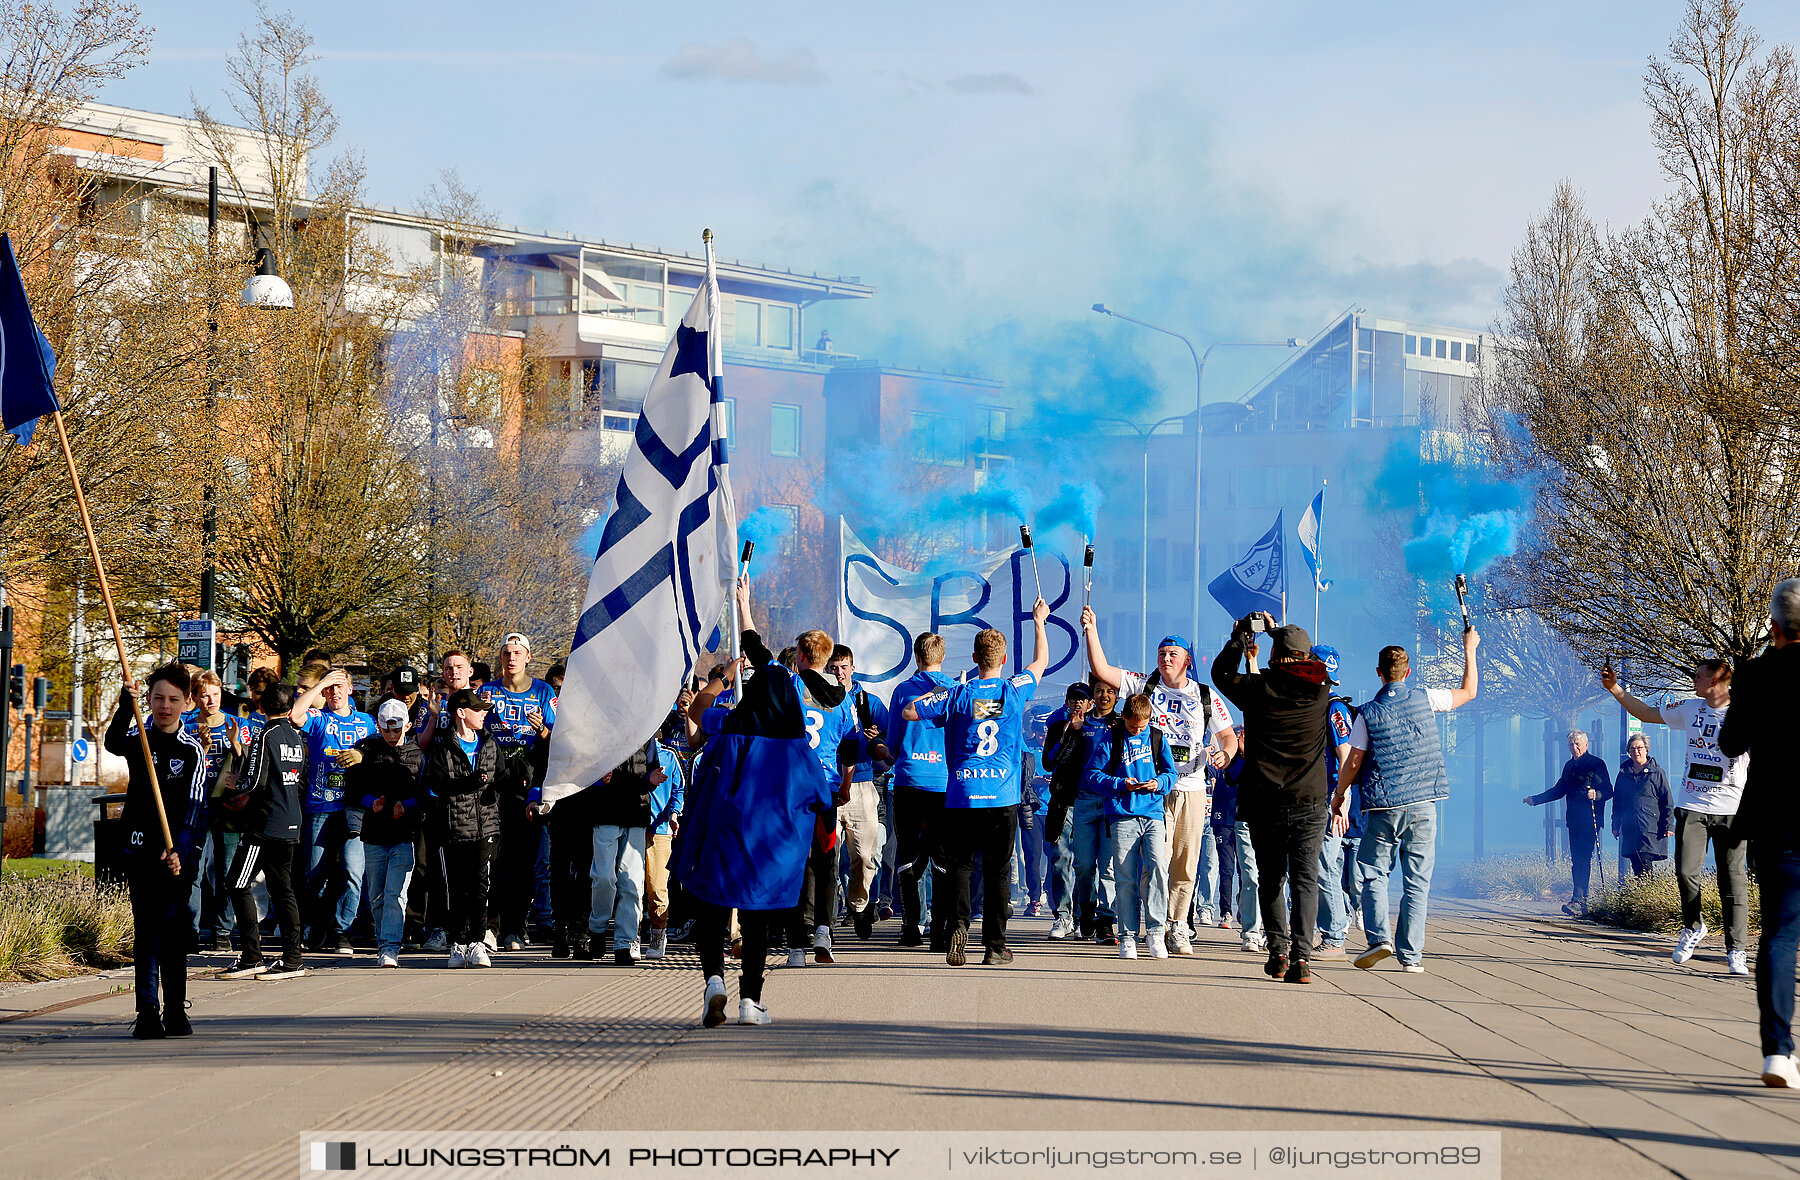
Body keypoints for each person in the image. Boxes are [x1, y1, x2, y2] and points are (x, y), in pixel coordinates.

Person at [676, 621, 836, 1027]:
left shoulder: (729, 727)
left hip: (724, 833)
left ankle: (713, 980)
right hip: (769, 845)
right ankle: (751, 1000)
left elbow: (696, 712)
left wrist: (723, 677)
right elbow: (824, 799)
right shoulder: (798, 749)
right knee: (755, 919)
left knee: (714, 907)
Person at [904, 597, 1050, 966]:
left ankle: (959, 925)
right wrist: (1039, 623)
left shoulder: (957, 693)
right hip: (1001, 796)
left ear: (974, 658)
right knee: (999, 872)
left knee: (961, 867)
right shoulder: (1014, 689)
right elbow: (1040, 662)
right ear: (1002, 660)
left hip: (962, 794)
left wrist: (942, 693)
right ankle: (995, 947)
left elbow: (909, 711)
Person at [1081, 612, 1238, 955]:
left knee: (1186, 861)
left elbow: (1228, 737)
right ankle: (1150, 926)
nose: (1166, 659)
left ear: (1187, 661)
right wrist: (1092, 629)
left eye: (1173, 654)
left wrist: (1225, 754)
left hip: (1192, 788)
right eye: (1162, 653)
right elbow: (1102, 670)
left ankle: (1177, 924)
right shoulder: (1145, 685)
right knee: (1155, 862)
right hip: (1153, 793)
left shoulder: (1205, 696)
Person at [1334, 630, 1478, 974]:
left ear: (1379, 673)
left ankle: (1379, 939)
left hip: (1384, 806)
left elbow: (1353, 762)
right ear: (1408, 673)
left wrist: (1340, 795)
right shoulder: (1425, 698)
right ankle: (1411, 957)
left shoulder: (1367, 713)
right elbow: (1469, 692)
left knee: (1373, 873)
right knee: (1417, 882)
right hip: (1424, 803)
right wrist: (1469, 650)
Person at [1212, 613, 1334, 985]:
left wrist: (1241, 637)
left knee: (1270, 878)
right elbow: (1311, 663)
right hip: (1310, 799)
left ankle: (1278, 951)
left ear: (1275, 657)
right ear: (1305, 655)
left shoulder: (1257, 688)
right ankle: (1302, 958)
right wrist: (1279, 631)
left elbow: (1220, 674)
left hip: (1266, 799)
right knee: (1305, 879)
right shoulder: (1320, 690)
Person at [1603, 658, 1748, 972]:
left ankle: (1736, 949)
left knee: (1732, 880)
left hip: (1732, 809)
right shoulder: (1690, 708)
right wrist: (1615, 688)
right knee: (1685, 871)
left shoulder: (1746, 713)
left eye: (1699, 676)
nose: (1693, 679)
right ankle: (1693, 927)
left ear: (1717, 681)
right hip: (1692, 804)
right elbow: (1645, 713)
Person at [1717, 578, 1800, 1088]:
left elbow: (1730, 743)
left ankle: (1778, 1051)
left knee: (1779, 933)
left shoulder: (1755, 675)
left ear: (1773, 624)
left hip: (1775, 817)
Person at [106, 665, 209, 1039]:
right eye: (158, 698)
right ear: (148, 700)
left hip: (175, 856)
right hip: (138, 849)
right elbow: (113, 742)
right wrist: (124, 702)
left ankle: (176, 1010)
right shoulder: (139, 737)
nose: (165, 706)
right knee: (146, 932)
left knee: (173, 932)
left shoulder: (192, 750)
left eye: (173, 700)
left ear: (188, 703)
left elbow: (196, 807)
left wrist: (181, 848)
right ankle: (147, 1010)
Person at [220, 683, 308, 980]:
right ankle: (293, 958)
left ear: (261, 707)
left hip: (264, 825)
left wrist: (235, 784)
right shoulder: (296, 736)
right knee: (283, 890)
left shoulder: (266, 734)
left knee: (236, 883)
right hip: (291, 820)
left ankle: (251, 956)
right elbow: (300, 780)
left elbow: (255, 780)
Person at [290, 668, 378, 954]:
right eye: (330, 689)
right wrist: (321, 684)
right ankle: (316, 926)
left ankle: (341, 930)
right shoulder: (319, 720)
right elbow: (295, 715)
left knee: (354, 872)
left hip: (355, 808)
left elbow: (382, 754)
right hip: (321, 806)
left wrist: (362, 755)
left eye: (340, 687)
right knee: (315, 874)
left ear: (351, 690)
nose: (335, 692)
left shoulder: (367, 722)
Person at [479, 633, 557, 951]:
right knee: (493, 858)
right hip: (494, 783)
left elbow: (555, 738)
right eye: (506, 653)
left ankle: (515, 927)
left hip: (527, 782)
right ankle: (491, 927)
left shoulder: (544, 691)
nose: (511, 658)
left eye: (517, 653)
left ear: (527, 658)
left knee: (524, 860)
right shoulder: (487, 691)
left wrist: (541, 729)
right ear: (500, 658)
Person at [1086, 693, 1179, 959]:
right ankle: (1127, 936)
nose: (1137, 730)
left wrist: (1157, 783)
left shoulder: (1157, 738)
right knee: (1124, 877)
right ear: (1123, 717)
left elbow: (1171, 774)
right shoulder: (1111, 738)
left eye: (1142, 725)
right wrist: (1119, 783)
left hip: (1152, 814)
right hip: (1122, 815)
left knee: (1158, 869)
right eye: (1132, 726)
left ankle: (1156, 932)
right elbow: (1093, 776)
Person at [885, 633, 955, 948]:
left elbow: (892, 747)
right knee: (943, 857)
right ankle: (940, 930)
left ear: (916, 656)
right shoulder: (956, 691)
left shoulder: (902, 691)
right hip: (944, 782)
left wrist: (878, 745)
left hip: (910, 780)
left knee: (908, 855)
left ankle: (912, 926)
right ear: (943, 656)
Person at [424, 688, 501, 969]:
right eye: (477, 709)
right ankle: (458, 943)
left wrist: (518, 778)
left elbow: (500, 776)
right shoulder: (443, 747)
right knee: (455, 889)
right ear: (460, 713)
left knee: (480, 887)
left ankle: (478, 942)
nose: (483, 714)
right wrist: (471, 782)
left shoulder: (489, 743)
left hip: (486, 826)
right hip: (453, 828)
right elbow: (439, 784)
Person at [348, 700, 425, 967]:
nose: (392, 736)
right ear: (379, 727)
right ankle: (384, 942)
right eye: (386, 730)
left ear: (408, 726)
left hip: (405, 835)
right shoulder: (368, 751)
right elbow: (354, 789)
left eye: (397, 730)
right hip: (374, 834)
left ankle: (391, 945)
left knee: (395, 892)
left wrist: (407, 805)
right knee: (377, 894)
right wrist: (372, 802)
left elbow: (425, 793)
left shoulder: (418, 753)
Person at [826, 644, 892, 941]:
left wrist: (876, 739)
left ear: (853, 668)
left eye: (843, 667)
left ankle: (860, 905)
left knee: (864, 856)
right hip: (827, 784)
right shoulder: (818, 699)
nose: (839, 673)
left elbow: (889, 738)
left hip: (862, 784)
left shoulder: (870, 702)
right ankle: (823, 921)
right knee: (826, 857)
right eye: (833, 667)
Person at [588, 736, 663, 965]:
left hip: (636, 812)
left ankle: (624, 942)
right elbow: (586, 769)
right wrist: (599, 778)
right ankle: (598, 927)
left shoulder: (647, 730)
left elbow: (652, 769)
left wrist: (651, 780)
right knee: (604, 877)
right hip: (606, 810)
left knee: (631, 880)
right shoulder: (602, 727)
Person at [1525, 730, 1614, 916]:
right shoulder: (1569, 766)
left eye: (1577, 744)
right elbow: (1559, 790)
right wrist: (1536, 799)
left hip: (1591, 819)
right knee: (1576, 860)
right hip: (1573, 820)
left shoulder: (1596, 764)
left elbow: (1608, 790)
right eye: (1571, 745)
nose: (1574, 748)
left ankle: (1580, 899)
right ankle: (1579, 900)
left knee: (1583, 859)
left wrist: (1596, 795)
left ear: (1586, 744)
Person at [187, 670, 245, 952]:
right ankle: (191, 929)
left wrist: (235, 743)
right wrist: (203, 746)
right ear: (194, 697)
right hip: (196, 805)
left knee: (226, 871)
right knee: (193, 870)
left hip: (229, 807)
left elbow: (250, 765)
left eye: (215, 694)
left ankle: (223, 930)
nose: (211, 700)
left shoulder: (238, 723)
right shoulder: (186, 725)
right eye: (205, 695)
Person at [1312, 647, 1359, 959]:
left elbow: (1345, 755)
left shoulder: (1334, 709)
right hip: (1316, 795)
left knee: (1324, 865)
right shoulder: (1318, 706)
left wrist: (1341, 798)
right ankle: (1337, 921)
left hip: (1329, 796)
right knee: (1320, 865)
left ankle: (1334, 935)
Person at [1040, 683, 1091, 940]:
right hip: (1061, 803)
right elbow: (1047, 762)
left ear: (1091, 704)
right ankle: (1062, 915)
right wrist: (1065, 736)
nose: (1077, 704)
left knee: (1085, 863)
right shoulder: (1057, 728)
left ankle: (1083, 918)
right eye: (1073, 700)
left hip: (1088, 803)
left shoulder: (1096, 730)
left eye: (1082, 700)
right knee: (1060, 860)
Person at [643, 738, 686, 959]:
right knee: (630, 885)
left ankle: (658, 934)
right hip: (632, 826)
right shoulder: (629, 749)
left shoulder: (669, 755)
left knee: (657, 886)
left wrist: (673, 814)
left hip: (660, 831)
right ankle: (630, 936)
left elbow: (678, 789)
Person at [1612, 734, 1672, 880]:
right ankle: (1643, 896)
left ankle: (1647, 896)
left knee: (1645, 861)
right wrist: (1615, 825)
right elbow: (1617, 802)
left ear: (1646, 750)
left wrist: (1669, 825)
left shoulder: (1657, 773)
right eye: (1632, 749)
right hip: (1630, 826)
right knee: (1636, 862)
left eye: (1639, 748)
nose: (1636, 751)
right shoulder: (1623, 774)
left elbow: (1667, 800)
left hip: (1650, 827)